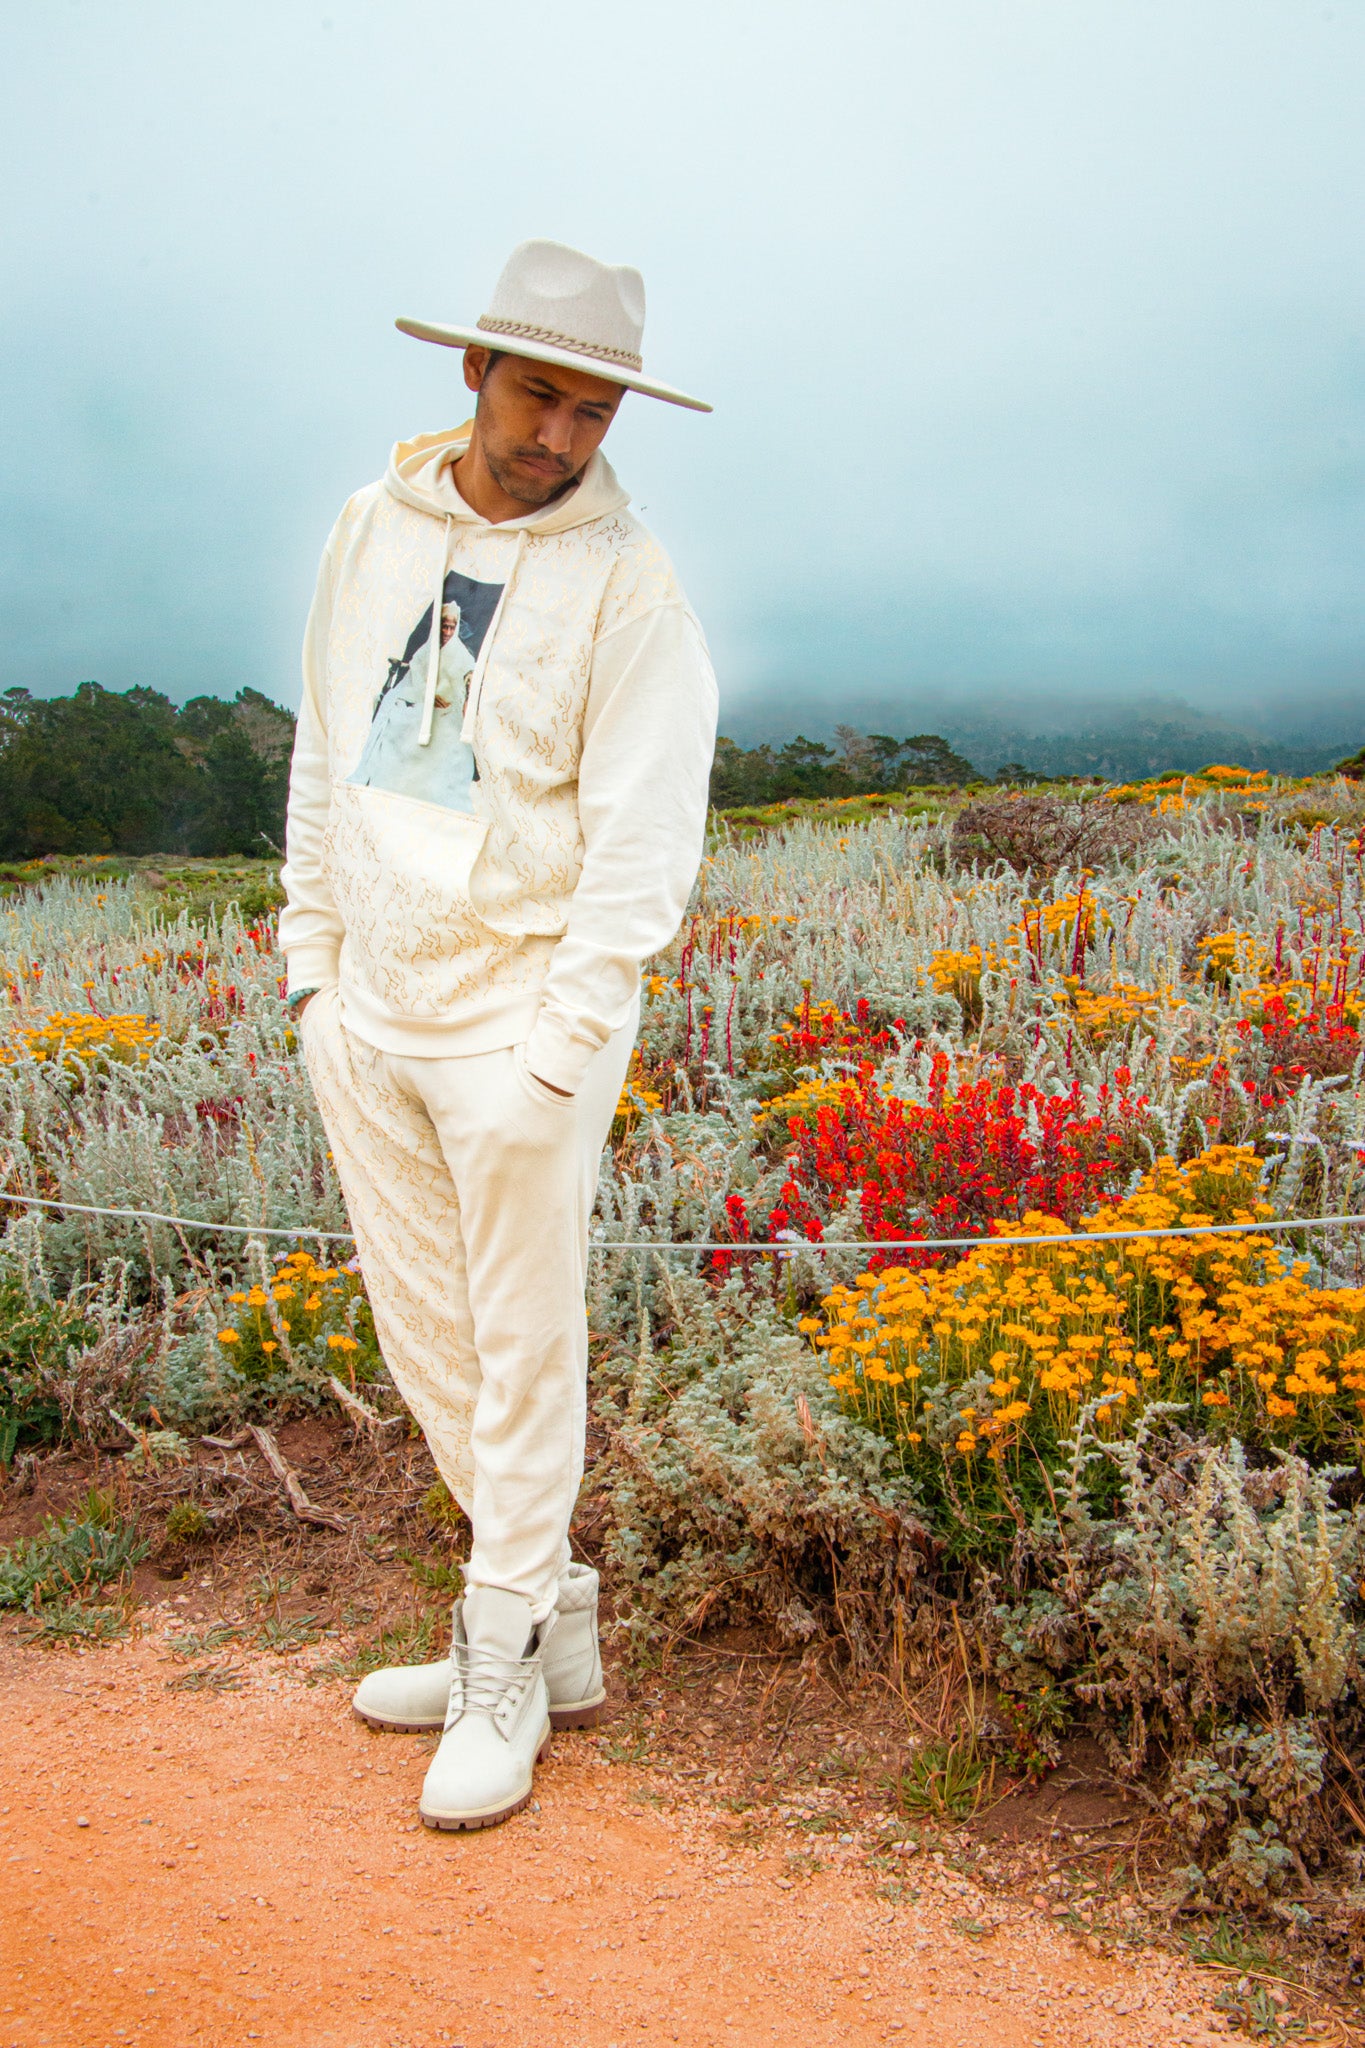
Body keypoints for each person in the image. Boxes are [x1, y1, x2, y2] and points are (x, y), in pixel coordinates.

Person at [279, 239, 717, 1831]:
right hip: (369, 1007)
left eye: (596, 410)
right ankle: (554, 1629)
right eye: (540, 394)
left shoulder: (630, 585)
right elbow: (329, 746)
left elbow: (644, 843)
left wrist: (559, 1050)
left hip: (521, 1022)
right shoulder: (363, 528)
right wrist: (309, 969)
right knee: (428, 1338)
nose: (562, 436)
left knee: (523, 1354)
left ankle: (499, 1654)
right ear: (472, 371)